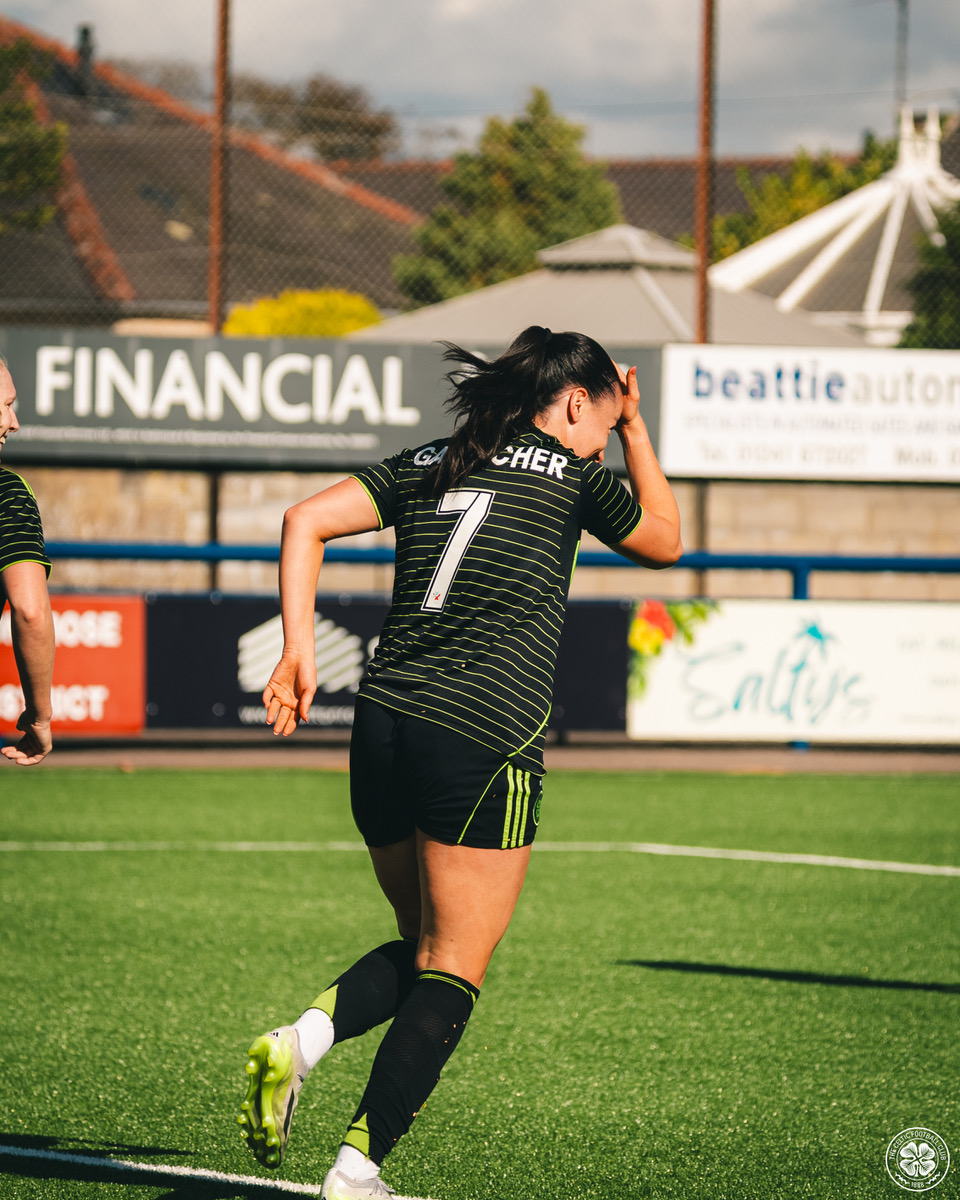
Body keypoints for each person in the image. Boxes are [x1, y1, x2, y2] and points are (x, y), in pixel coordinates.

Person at [238, 327, 682, 1200]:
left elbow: (304, 521)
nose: (602, 436)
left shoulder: (436, 461)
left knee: (424, 941)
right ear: (577, 401)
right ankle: (356, 1170)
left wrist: (298, 650)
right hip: (483, 735)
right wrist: (637, 431)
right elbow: (665, 540)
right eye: (602, 416)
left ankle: (301, 1044)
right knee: (454, 967)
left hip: (383, 724)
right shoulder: (577, 474)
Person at [0, 355, 54, 767]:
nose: (14, 421)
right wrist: (39, 716)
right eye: (6, 405)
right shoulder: (7, 491)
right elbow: (31, 610)